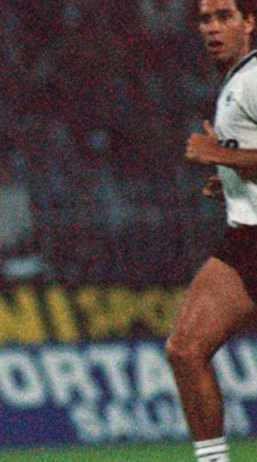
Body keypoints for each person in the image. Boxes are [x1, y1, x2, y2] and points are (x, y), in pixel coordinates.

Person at [165, 1, 257, 461]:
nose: (212, 28)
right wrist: (234, 183)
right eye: (205, 19)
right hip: (247, 239)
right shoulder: (236, 81)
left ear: (250, 22)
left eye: (224, 16)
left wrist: (219, 156)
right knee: (186, 348)